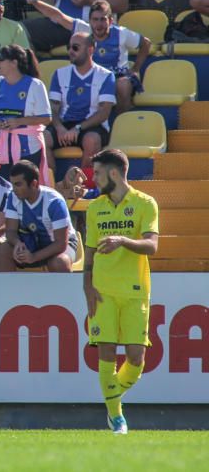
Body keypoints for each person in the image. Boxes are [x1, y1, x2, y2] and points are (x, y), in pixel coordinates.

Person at [83, 148, 159, 435]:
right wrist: (86, 287)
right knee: (106, 351)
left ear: (114, 173)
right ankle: (116, 417)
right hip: (102, 290)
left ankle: (111, 397)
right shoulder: (94, 208)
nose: (95, 179)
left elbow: (152, 246)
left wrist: (123, 241)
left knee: (136, 359)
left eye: (99, 173)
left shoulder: (145, 203)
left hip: (135, 291)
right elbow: (89, 256)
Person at [22, 0, 150, 114]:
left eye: (103, 20)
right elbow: (58, 16)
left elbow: (146, 43)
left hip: (117, 76)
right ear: (90, 21)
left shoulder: (122, 33)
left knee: (123, 85)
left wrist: (136, 68)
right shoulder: (84, 29)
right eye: (95, 20)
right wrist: (34, 2)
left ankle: (122, 120)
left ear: (110, 21)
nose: (99, 24)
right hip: (92, 75)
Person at [45, 31, 116, 171]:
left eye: (75, 47)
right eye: (69, 47)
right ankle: (51, 185)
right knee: (40, 138)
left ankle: (85, 186)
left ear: (90, 50)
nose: (71, 51)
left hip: (92, 125)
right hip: (64, 124)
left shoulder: (106, 76)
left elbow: (104, 113)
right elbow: (52, 108)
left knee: (91, 140)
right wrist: (59, 128)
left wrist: (78, 128)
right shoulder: (60, 74)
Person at [0, 44, 53, 182]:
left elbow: (46, 118)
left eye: (1, 59)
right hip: (3, 149)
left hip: (30, 148)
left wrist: (19, 122)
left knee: (28, 189)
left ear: (13, 63)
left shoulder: (35, 85)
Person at [0, 160, 76, 272]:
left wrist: (34, 257)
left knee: (59, 262)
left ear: (34, 184)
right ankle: (8, 289)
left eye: (18, 184)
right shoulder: (12, 196)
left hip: (59, 245)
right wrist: (17, 244)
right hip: (31, 242)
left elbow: (60, 244)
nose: (13, 189)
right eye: (12, 184)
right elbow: (10, 231)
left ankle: (63, 290)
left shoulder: (54, 202)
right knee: (4, 248)